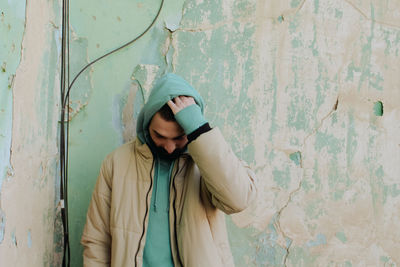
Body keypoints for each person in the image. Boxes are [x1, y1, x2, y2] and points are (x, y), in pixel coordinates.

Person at [81, 73, 257, 267]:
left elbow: (239, 200)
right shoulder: (116, 162)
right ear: (147, 125)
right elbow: (97, 241)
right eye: (160, 135)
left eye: (178, 138)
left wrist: (198, 128)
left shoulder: (209, 163)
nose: (169, 147)